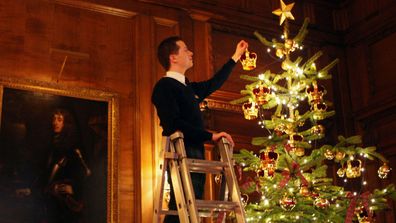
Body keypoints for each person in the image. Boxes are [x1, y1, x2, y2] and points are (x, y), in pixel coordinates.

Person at [152, 36, 248, 222]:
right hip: (181, 150)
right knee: (180, 206)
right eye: (186, 49)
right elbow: (173, 124)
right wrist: (210, 136)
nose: (191, 53)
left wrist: (236, 56)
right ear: (174, 58)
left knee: (192, 203)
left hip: (196, 151)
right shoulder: (164, 87)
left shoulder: (188, 87)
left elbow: (214, 83)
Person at [42, 109, 90, 223]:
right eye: (54, 119)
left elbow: (86, 174)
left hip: (67, 204)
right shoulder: (52, 146)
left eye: (59, 120)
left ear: (66, 124)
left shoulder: (74, 149)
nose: (55, 122)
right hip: (52, 200)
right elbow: (47, 174)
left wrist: (73, 188)